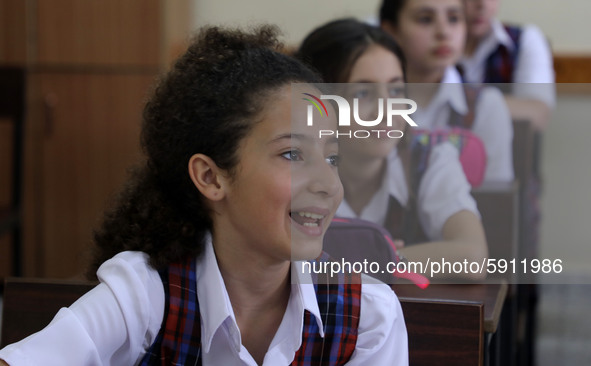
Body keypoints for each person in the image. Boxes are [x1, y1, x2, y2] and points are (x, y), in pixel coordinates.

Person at [0, 26, 408, 366]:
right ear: (211, 177)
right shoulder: (147, 291)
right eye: (292, 154)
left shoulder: (368, 318)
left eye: (332, 156)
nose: (327, 184)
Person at [297, 18, 487, 280]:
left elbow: (471, 259)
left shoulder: (429, 158)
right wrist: (393, 262)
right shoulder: (292, 168)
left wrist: (374, 259)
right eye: (362, 94)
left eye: (396, 90)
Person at [379, 0, 515, 183]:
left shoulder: (485, 105)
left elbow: (496, 198)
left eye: (454, 18)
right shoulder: (372, 104)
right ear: (391, 31)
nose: (443, 32)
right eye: (425, 19)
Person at [459, 0, 555, 131]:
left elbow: (538, 113)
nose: (481, 4)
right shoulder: (430, 44)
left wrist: (463, 103)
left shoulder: (524, 39)